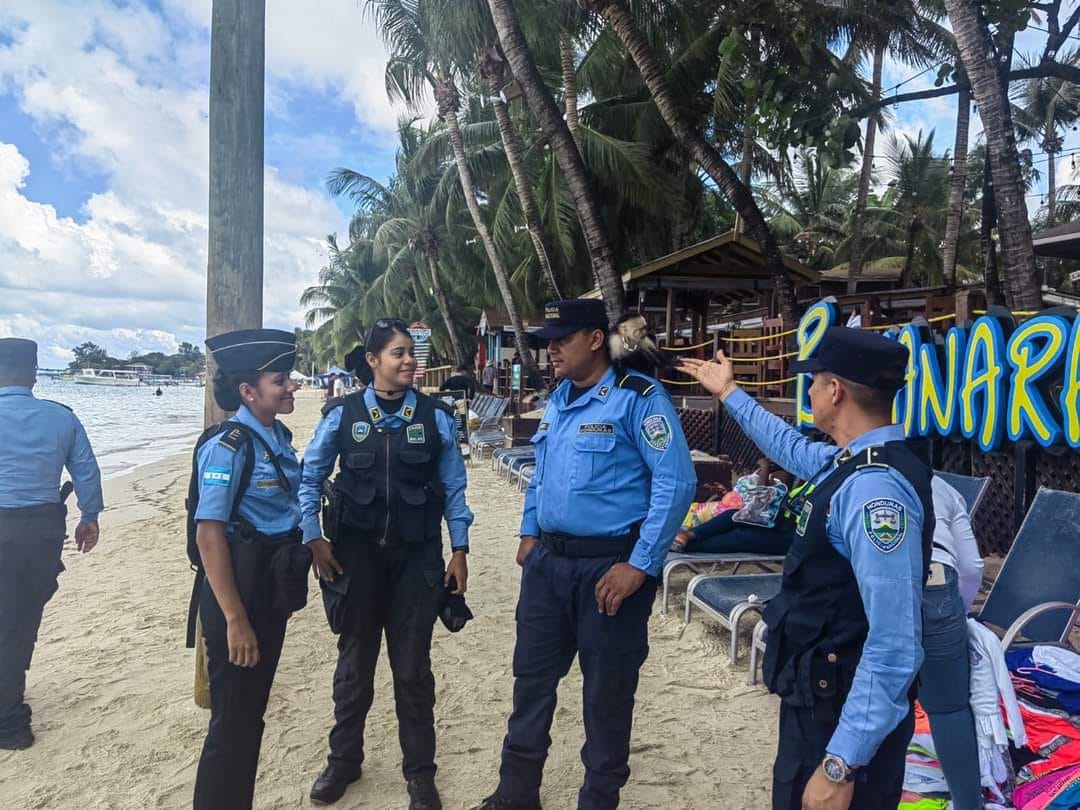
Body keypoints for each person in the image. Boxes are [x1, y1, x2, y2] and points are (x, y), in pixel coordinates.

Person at [680, 327, 933, 810]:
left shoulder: (875, 491)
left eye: (812, 381)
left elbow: (895, 644)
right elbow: (787, 445)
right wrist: (730, 393)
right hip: (821, 699)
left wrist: (841, 763)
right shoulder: (850, 462)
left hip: (842, 719)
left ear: (834, 391)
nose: (809, 391)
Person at [473, 300, 697, 810]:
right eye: (547, 340)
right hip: (548, 568)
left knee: (606, 696)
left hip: (609, 571)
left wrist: (640, 563)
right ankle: (515, 794)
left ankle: (598, 800)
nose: (550, 348)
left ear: (596, 339)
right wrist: (529, 531)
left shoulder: (637, 397)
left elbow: (676, 482)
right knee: (530, 684)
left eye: (561, 338)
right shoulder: (558, 400)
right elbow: (542, 470)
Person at [299, 318, 474, 810]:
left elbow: (455, 488)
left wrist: (459, 549)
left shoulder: (436, 416)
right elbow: (309, 477)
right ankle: (343, 761)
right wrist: (313, 537)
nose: (408, 362)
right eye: (397, 353)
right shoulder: (341, 415)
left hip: (417, 560)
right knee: (354, 665)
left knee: (413, 668)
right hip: (354, 559)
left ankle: (419, 773)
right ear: (372, 361)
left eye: (411, 353)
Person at [192, 328, 310, 810]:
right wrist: (237, 620)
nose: (291, 387)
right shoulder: (230, 446)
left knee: (248, 717)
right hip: (235, 600)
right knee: (233, 723)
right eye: (280, 380)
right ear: (248, 392)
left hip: (266, 594)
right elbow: (208, 535)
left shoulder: (276, 437)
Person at [0, 338, 103, 751]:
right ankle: (8, 723)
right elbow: (86, 472)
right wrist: (89, 517)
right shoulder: (61, 417)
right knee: (19, 622)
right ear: (35, 373)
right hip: (36, 531)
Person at [919, 475, 984, 810]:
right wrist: (954, 610)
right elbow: (972, 566)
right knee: (948, 706)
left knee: (878, 695)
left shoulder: (851, 474)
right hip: (938, 582)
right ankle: (968, 803)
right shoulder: (941, 486)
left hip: (871, 587)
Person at [672, 457, 794, 555]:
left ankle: (685, 544)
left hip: (788, 538)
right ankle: (687, 535)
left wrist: (765, 468)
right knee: (734, 514)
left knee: (742, 537)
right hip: (774, 523)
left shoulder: (786, 476)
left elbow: (761, 497)